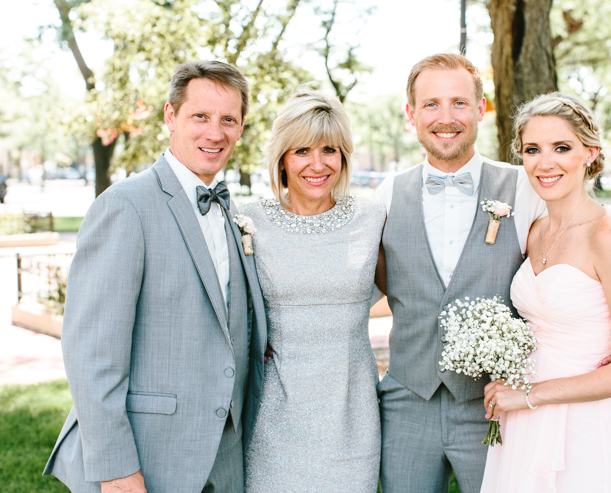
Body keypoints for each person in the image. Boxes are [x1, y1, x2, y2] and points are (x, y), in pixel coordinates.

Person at [43, 61, 268, 493]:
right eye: (200, 116)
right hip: (149, 458)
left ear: (241, 128)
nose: (214, 132)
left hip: (225, 458)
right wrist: (116, 469)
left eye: (228, 120)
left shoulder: (233, 212)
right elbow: (91, 355)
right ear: (170, 116)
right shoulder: (126, 207)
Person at [373, 53, 548, 493]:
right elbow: (369, 285)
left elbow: (555, 286)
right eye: (431, 104)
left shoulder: (524, 189)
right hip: (408, 399)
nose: (445, 118)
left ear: (482, 109)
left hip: (495, 403)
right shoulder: (386, 195)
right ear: (411, 114)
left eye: (459, 103)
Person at [480, 92, 611, 492]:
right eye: (532, 150)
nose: (545, 163)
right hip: (524, 422)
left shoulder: (609, 234)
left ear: (590, 153)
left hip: (588, 425)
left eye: (561, 147)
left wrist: (529, 395)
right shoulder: (533, 231)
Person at [241, 90, 385, 492]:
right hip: (273, 418)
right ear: (282, 157)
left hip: (351, 417)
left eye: (329, 150)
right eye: (302, 150)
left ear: (344, 157)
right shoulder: (248, 221)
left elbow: (410, 295)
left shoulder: (371, 217)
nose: (317, 164)